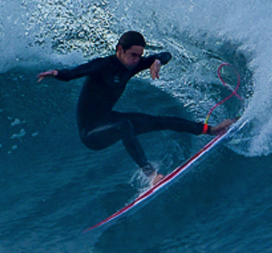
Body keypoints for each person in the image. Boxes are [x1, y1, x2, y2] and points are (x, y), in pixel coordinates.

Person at [37, 31, 235, 187]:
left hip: (109, 119)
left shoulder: (132, 64)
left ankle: (212, 130)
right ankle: (150, 175)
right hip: (91, 133)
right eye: (133, 55)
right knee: (125, 124)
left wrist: (156, 61)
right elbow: (73, 73)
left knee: (159, 120)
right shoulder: (103, 65)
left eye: (140, 56)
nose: (136, 60)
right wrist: (56, 73)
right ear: (119, 50)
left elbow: (165, 55)